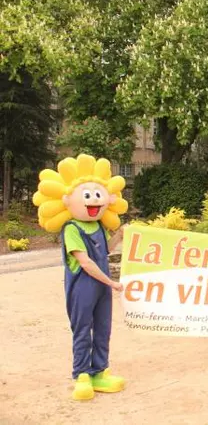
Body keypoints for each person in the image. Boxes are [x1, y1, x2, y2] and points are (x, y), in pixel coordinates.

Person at [32, 154, 129, 401]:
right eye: (88, 196)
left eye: (98, 195)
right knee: (83, 329)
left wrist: (120, 235)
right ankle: (82, 375)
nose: (95, 201)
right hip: (83, 287)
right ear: (67, 200)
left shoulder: (97, 226)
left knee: (104, 328)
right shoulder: (71, 229)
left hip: (101, 287)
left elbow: (103, 251)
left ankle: (100, 370)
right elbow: (85, 262)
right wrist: (112, 283)